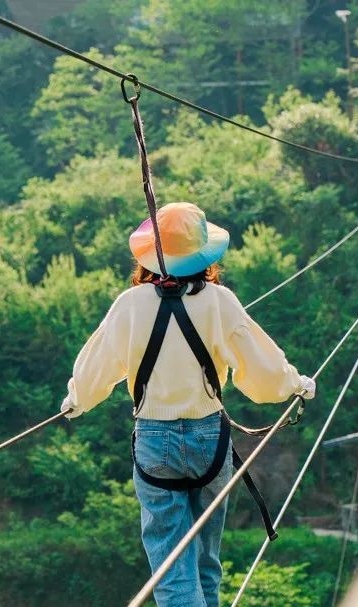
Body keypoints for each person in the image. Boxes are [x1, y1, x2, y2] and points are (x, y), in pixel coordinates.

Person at [60, 202, 316, 607]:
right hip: (209, 440)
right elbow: (264, 372)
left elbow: (95, 371)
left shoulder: (129, 305)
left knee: (172, 568)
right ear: (204, 255)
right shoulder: (220, 301)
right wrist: (295, 385)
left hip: (154, 442)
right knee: (204, 564)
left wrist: (77, 399)